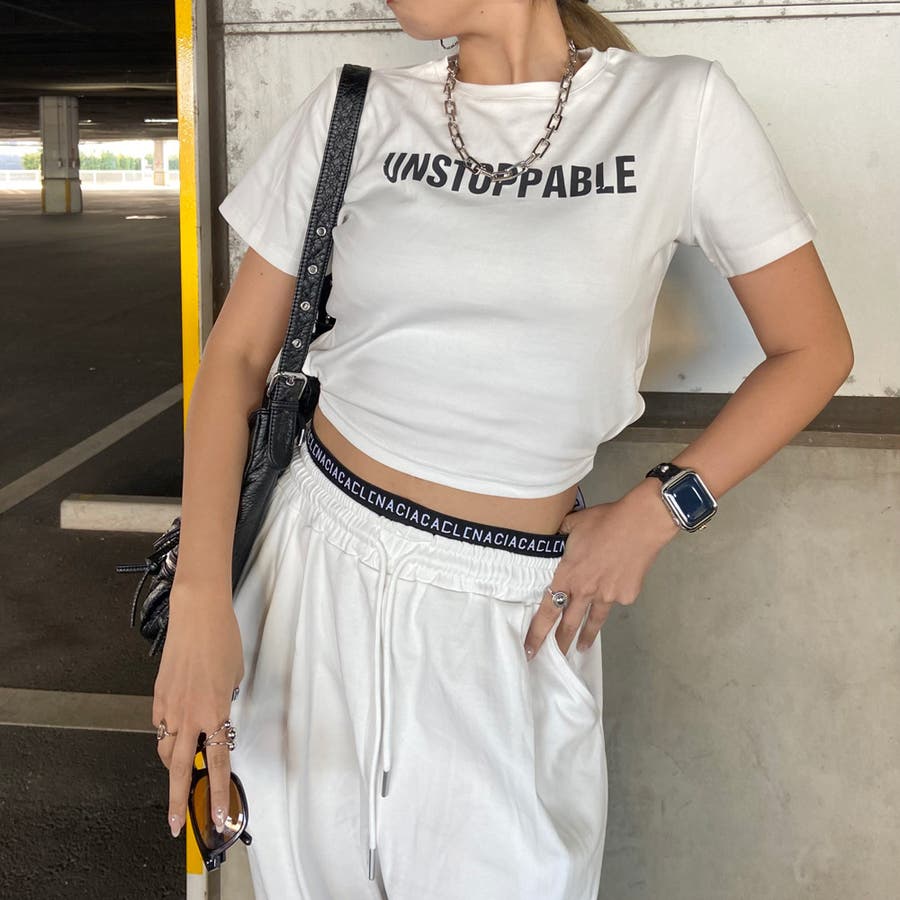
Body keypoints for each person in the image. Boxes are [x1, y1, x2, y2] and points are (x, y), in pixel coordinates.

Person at [152, 1, 853, 898]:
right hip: (314, 581)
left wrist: (656, 512)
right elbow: (237, 360)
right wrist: (201, 605)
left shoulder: (680, 108)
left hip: (511, 613)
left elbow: (814, 349)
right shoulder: (355, 109)